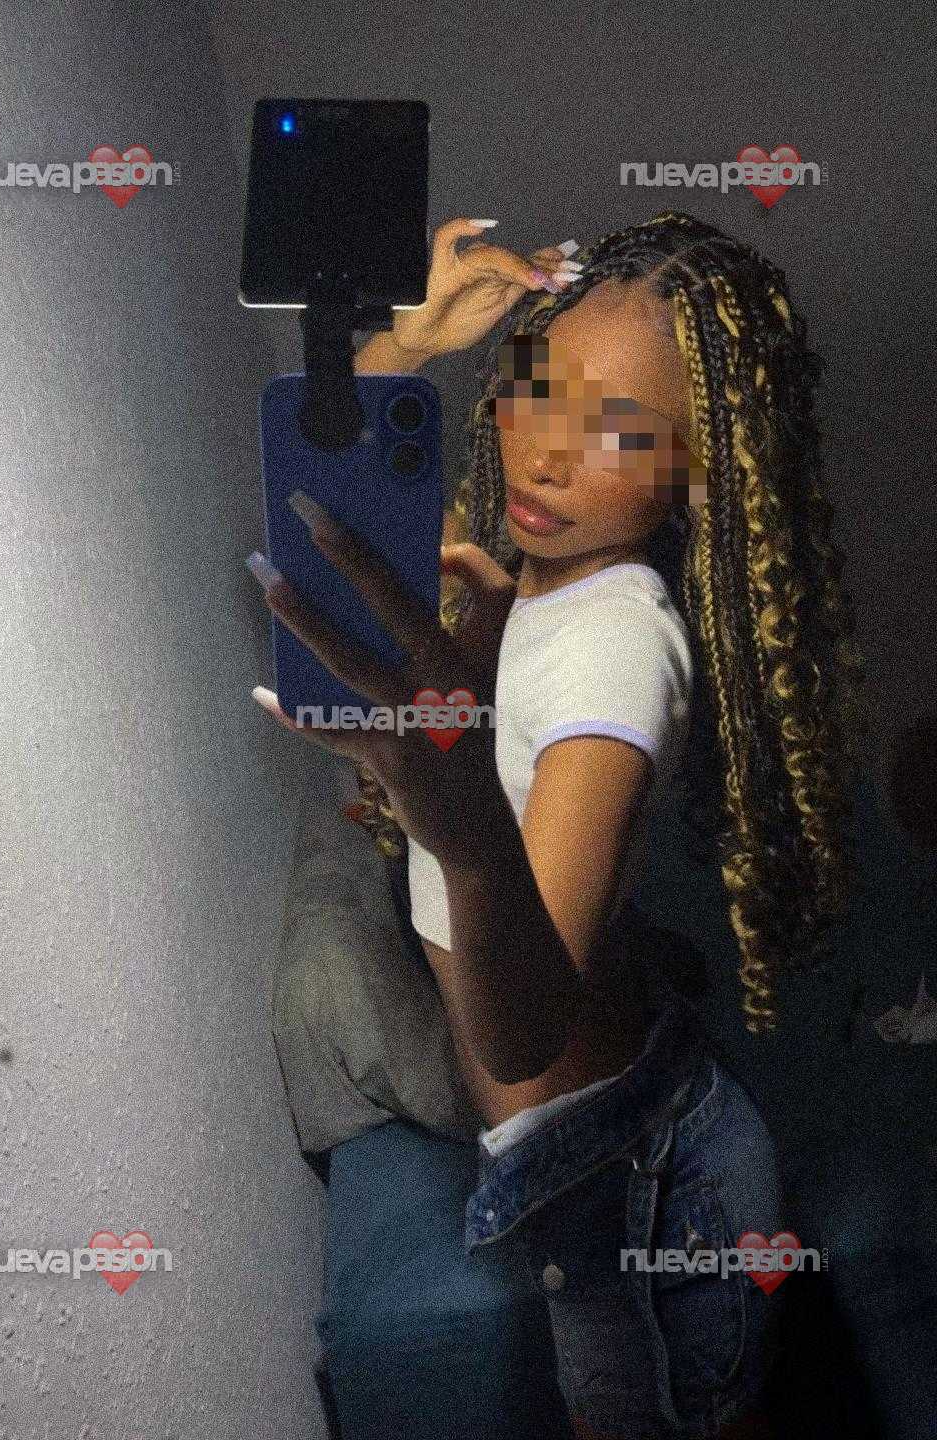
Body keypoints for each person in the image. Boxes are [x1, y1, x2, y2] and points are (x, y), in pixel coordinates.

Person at [248, 210, 867, 1439]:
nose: (546, 457)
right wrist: (408, 344)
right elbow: (331, 511)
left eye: (619, 429)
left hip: (632, 1183)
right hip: (613, 1128)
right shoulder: (532, 575)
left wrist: (461, 814)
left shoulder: (615, 651)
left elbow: (522, 1034)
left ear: (700, 466)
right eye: (537, 390)